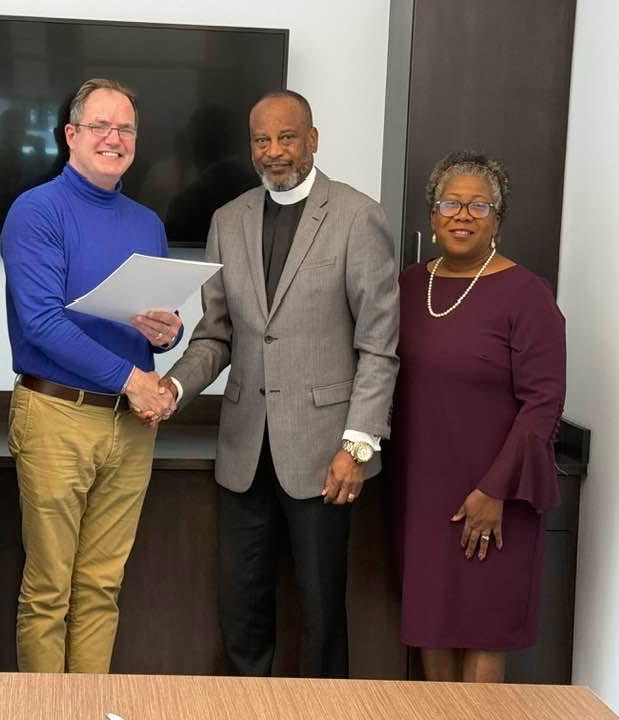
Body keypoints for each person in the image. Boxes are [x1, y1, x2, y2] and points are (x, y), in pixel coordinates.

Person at [161, 90, 399, 678]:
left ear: (312, 139)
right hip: (244, 451)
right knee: (240, 608)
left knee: (321, 612)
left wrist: (356, 447)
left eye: (287, 137)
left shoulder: (357, 216)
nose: (274, 151)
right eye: (261, 140)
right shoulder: (227, 220)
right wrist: (173, 389)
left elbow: (378, 346)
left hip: (325, 456)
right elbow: (216, 335)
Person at [0, 78, 182, 673]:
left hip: (129, 424)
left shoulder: (147, 222)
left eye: (125, 129)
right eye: (100, 126)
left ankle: (87, 707)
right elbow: (41, 323)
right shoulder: (36, 211)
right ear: (71, 135)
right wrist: (133, 378)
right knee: (49, 591)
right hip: (57, 415)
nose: (114, 138)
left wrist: (168, 333)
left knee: (102, 586)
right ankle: (44, 713)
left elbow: (153, 325)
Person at [392, 151, 566, 682]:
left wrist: (494, 490)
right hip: (423, 491)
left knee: (484, 631)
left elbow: (543, 403)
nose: (462, 215)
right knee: (431, 625)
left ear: (497, 219)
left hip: (496, 494)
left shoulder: (527, 294)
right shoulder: (408, 285)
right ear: (432, 215)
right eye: (450, 203)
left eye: (479, 205)